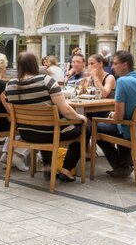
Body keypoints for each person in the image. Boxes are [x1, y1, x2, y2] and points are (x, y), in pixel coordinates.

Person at [5, 52, 87, 182]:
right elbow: (65, 110)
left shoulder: (10, 84)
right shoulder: (46, 81)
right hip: (48, 133)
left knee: (46, 125)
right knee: (84, 128)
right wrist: (80, 117)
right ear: (35, 65)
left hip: (26, 133)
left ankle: (48, 167)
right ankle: (66, 170)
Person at [95, 50, 136, 178]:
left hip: (133, 130)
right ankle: (125, 164)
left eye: (115, 63)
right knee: (120, 127)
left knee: (94, 127)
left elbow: (118, 118)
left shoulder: (122, 81)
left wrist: (112, 115)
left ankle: (121, 166)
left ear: (125, 65)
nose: (112, 67)